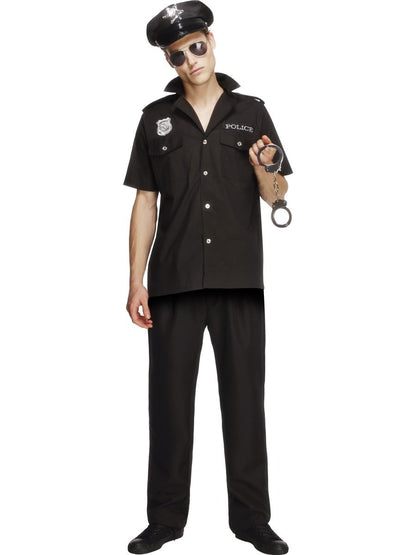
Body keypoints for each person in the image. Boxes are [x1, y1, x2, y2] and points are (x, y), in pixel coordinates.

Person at [122, 2, 293, 554]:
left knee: (245, 404)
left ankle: (252, 521)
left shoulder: (252, 112)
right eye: (177, 55)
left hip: (238, 280)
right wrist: (136, 280)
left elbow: (277, 195)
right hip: (172, 282)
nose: (190, 60)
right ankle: (165, 521)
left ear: (211, 41)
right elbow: (145, 201)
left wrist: (265, 170)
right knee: (169, 405)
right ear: (169, 62)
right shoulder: (155, 118)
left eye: (196, 46)